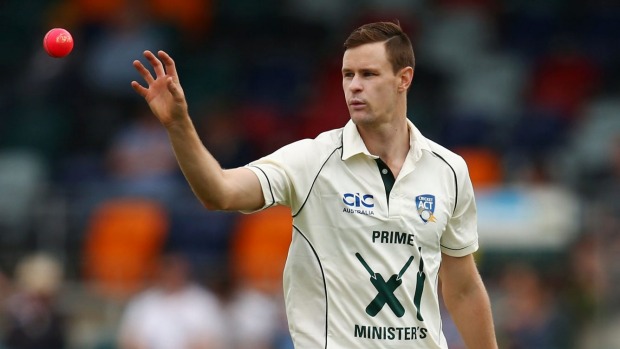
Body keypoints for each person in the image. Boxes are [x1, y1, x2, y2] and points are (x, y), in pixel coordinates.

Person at [131, 20, 498, 349]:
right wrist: (179, 125)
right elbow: (220, 192)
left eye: (368, 75)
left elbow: (463, 289)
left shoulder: (449, 170)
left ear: (404, 78)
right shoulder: (311, 160)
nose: (354, 87)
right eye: (347, 75)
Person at [117, 251, 226, 349]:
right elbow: (129, 340)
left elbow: (212, 341)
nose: (172, 276)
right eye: (168, 271)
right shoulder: (142, 302)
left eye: (176, 271)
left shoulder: (204, 301)